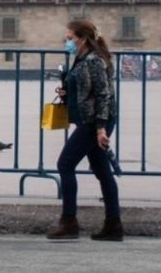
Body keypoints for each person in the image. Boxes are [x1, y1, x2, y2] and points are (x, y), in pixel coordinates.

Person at [46, 19, 122, 241]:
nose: (67, 42)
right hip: (89, 121)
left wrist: (100, 129)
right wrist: (67, 93)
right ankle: (113, 224)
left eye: (70, 38)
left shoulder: (94, 61)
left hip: (94, 123)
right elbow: (85, 90)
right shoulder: (81, 59)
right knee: (102, 171)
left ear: (82, 38)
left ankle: (69, 222)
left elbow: (103, 95)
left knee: (65, 164)